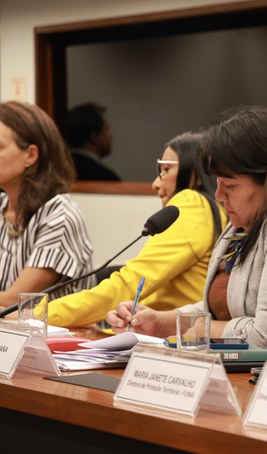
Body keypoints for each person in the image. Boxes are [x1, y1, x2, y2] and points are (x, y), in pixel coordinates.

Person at [106, 105, 267, 352]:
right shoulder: (243, 223)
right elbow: (222, 311)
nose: (219, 195)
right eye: (217, 182)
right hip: (246, 377)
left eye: (230, 185)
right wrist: (159, 322)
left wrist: (198, 329)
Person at [46, 131, 226, 327]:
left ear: (197, 175)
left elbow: (131, 283)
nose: (156, 183)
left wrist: (43, 314)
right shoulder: (214, 210)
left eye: (166, 170)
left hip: (172, 340)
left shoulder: (193, 203)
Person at [0, 101, 94, 307]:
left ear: (30, 155)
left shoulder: (59, 216)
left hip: (52, 337)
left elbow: (14, 301)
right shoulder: (2, 206)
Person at [64, 102, 121, 181]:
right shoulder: (105, 177)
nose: (111, 136)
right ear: (94, 136)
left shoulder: (57, 170)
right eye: (106, 130)